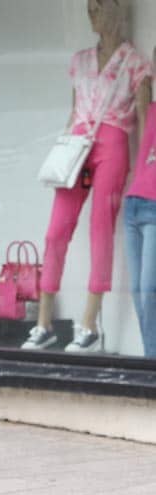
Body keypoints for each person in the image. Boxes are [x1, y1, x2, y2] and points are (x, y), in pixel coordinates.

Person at [22, 0, 151, 353]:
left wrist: (143, 171)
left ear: (118, 10)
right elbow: (73, 109)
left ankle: (89, 325)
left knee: (100, 230)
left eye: (100, 6)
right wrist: (63, 151)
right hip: (78, 143)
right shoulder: (79, 61)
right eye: (90, 7)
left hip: (114, 140)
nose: (93, 14)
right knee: (56, 230)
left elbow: (143, 122)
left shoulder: (136, 64)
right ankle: (43, 323)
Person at [123, 45, 156, 358]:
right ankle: (150, 362)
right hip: (133, 205)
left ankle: (151, 363)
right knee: (138, 291)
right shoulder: (153, 109)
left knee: (149, 290)